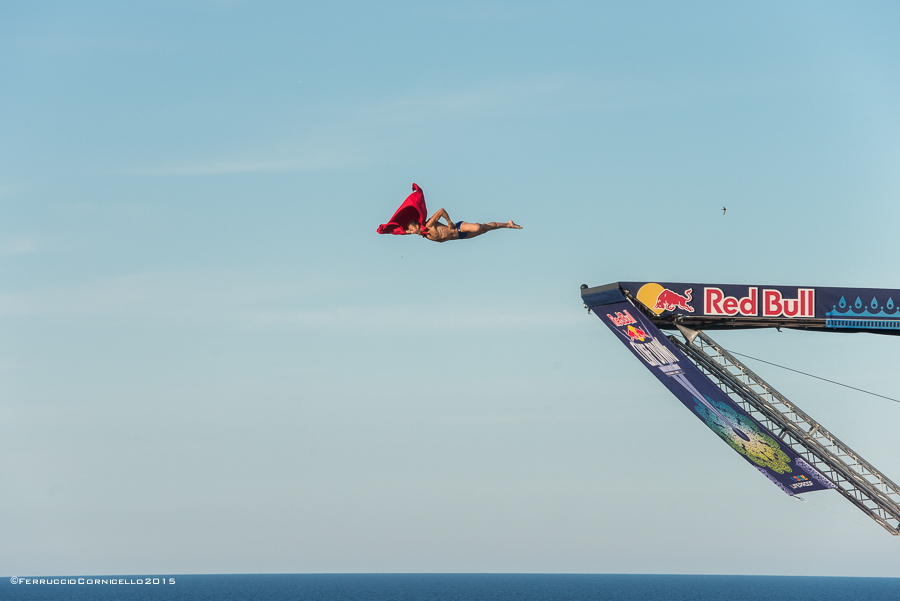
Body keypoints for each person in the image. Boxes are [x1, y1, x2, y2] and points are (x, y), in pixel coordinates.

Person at [405, 208, 522, 242]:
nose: (412, 232)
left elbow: (441, 211)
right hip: (460, 236)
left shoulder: (429, 225)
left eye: (412, 230)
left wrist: (449, 222)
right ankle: (508, 224)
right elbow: (401, 231)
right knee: (485, 229)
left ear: (417, 226)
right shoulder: (426, 235)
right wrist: (387, 230)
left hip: (458, 227)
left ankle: (477, 225)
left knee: (478, 227)